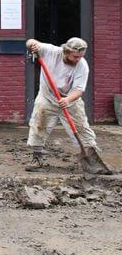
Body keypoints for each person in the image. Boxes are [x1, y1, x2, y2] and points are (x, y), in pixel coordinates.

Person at [25, 37, 96, 171]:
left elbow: (79, 90)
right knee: (39, 125)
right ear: (66, 51)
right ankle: (37, 158)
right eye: (75, 56)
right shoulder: (51, 51)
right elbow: (30, 42)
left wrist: (68, 100)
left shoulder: (82, 66)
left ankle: (91, 158)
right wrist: (33, 46)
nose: (78, 59)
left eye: (80, 57)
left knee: (81, 127)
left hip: (71, 99)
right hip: (47, 96)